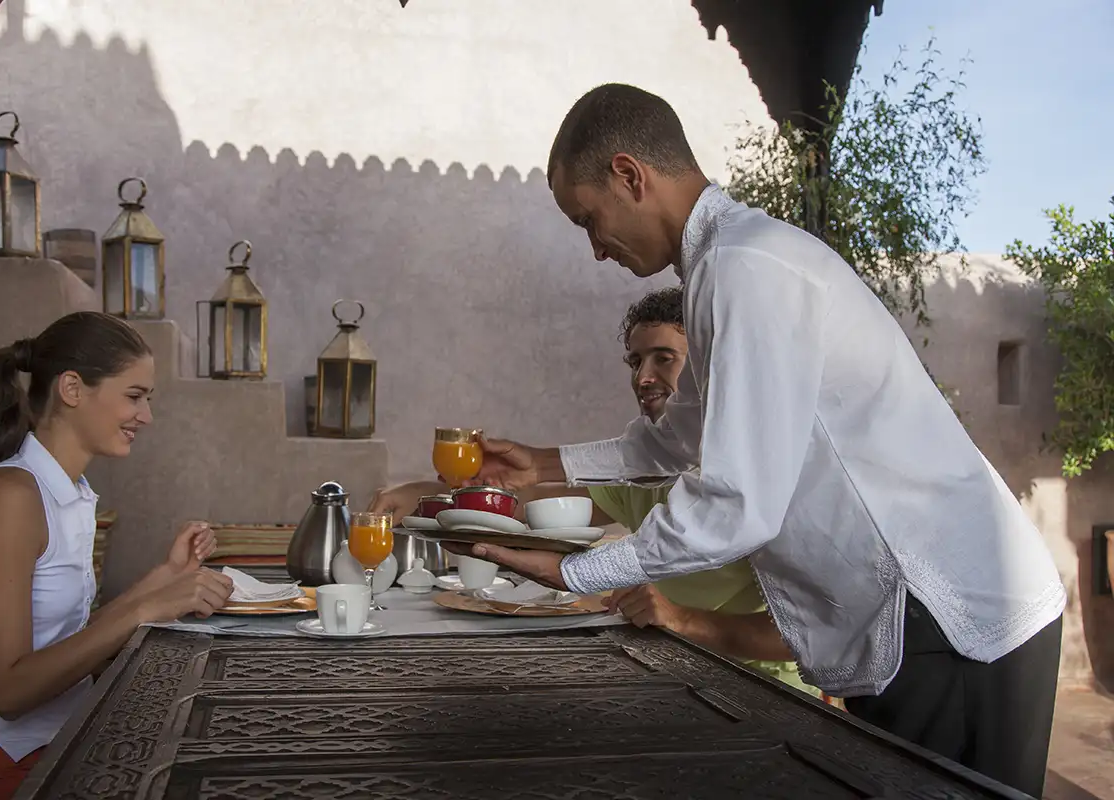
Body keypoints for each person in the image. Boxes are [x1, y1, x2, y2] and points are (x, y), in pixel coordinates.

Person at [449, 84, 1065, 798]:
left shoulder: (745, 266)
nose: (594, 250)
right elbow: (680, 441)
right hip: (909, 617)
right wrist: (545, 464)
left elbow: (738, 502)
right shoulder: (722, 266)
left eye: (589, 220)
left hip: (951, 616)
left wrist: (578, 573)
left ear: (629, 175)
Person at [371, 287, 816, 695]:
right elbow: (536, 512)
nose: (643, 378)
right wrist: (431, 496)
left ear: (712, 366)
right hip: (671, 673)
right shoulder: (648, 468)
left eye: (664, 358)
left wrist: (685, 620)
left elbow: (807, 633)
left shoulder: (774, 472)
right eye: (636, 361)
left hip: (762, 692)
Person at [0, 311, 234, 800]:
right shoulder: (9, 496)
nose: (146, 416)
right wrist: (147, 608)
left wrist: (167, 575)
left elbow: (72, 642)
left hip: (63, 738)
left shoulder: (68, 491)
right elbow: (9, 693)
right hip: (9, 761)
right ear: (72, 389)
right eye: (134, 397)